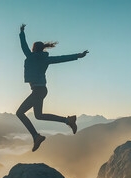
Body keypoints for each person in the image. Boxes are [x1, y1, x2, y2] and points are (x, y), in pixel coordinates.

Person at [16, 24, 89, 152]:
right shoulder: (46, 59)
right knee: (38, 115)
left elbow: (23, 45)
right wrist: (78, 55)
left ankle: (36, 136)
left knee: (20, 113)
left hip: (38, 91)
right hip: (42, 90)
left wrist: (22, 32)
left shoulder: (30, 56)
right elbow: (62, 58)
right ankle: (68, 120)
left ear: (33, 49)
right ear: (42, 49)